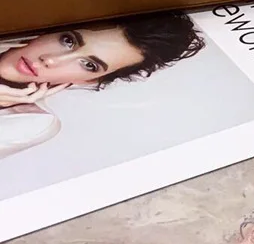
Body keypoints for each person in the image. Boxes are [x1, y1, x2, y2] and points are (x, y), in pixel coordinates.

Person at [0, 12, 206, 159]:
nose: (52, 60)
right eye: (68, 40)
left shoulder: (33, 121)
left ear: (90, 80)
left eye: (89, 65)